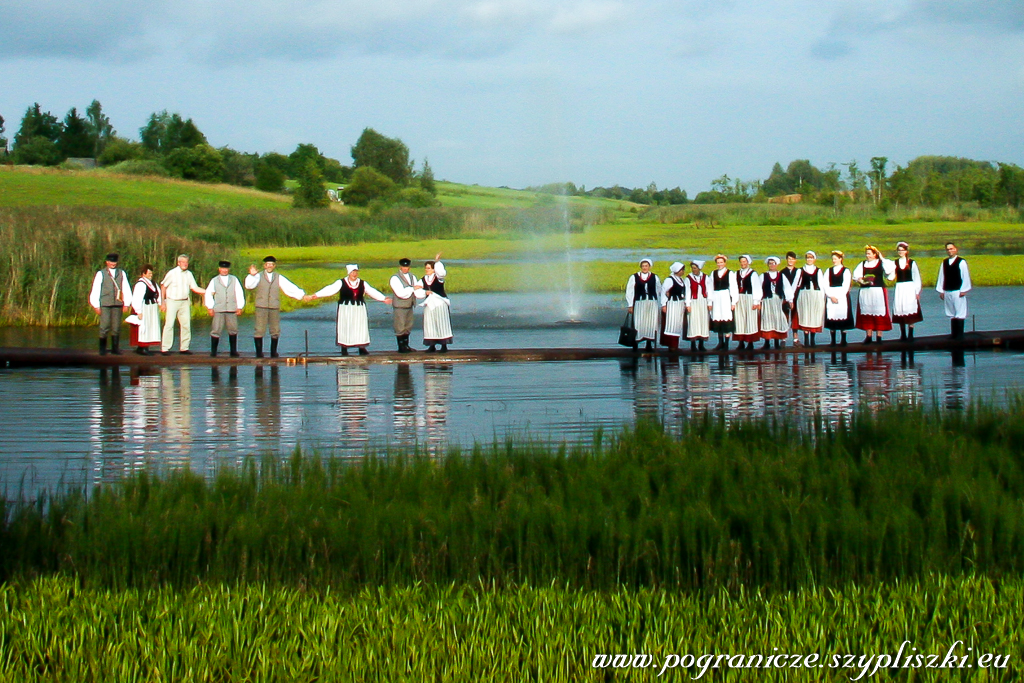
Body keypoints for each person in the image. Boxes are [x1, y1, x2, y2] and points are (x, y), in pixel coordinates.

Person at [306, 265, 392, 355]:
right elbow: (330, 289)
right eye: (352, 272)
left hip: (359, 309)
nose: (354, 274)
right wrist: (316, 295)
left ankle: (361, 347)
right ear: (349, 273)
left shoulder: (362, 283)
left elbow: (372, 291)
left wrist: (383, 298)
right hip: (346, 309)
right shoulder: (341, 282)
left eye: (356, 272)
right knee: (345, 326)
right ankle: (344, 348)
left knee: (360, 326)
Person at [244, 256, 306, 358]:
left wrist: (301, 295)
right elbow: (249, 286)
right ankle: (259, 353)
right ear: (264, 265)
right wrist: (251, 275)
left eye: (271, 264)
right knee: (259, 329)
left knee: (275, 330)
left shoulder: (279, 277)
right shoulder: (258, 276)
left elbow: (289, 287)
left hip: (274, 306)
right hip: (261, 306)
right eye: (267, 264)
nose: (269, 266)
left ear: (274, 266)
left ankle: (273, 352)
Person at [160, 254, 206, 355]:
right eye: (183, 262)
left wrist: (207, 292)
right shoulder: (172, 273)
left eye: (186, 262)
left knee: (186, 325)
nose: (185, 264)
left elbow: (194, 288)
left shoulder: (189, 274)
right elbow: (163, 286)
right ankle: (165, 348)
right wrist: (162, 302)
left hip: (184, 301)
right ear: (178, 263)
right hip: (172, 301)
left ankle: (184, 348)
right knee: (169, 324)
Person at [89, 252, 133, 355]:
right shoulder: (101, 274)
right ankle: (102, 349)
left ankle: (115, 348)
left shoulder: (122, 273)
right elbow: (96, 290)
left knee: (116, 327)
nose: (113, 263)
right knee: (104, 326)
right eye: (111, 261)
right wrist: (96, 305)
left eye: (115, 261)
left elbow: (126, 288)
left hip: (117, 304)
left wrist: (127, 303)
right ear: (107, 262)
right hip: (105, 303)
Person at [853, 245, 895, 344]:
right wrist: (860, 279)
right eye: (866, 254)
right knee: (868, 312)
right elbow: (856, 275)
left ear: (875, 254)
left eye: (869, 254)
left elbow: (890, 269)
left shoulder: (881, 263)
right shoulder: (863, 264)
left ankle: (879, 336)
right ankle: (869, 335)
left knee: (878, 312)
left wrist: (881, 257)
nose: (867, 256)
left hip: (878, 291)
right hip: (866, 291)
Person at [204, 260, 245, 357]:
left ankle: (233, 351)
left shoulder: (234, 279)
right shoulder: (214, 280)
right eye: (222, 268)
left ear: (228, 269)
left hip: (231, 308)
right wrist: (210, 307)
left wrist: (239, 306)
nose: (224, 270)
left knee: (233, 329)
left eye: (226, 268)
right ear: (219, 269)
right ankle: (213, 351)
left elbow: (239, 293)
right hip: (219, 309)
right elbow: (208, 294)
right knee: (216, 329)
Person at [936, 242, 972, 339]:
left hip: (958, 291)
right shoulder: (944, 262)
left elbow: (965, 276)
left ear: (956, 249)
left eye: (951, 248)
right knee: (951, 313)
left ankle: (960, 335)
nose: (949, 251)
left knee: (959, 313)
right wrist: (941, 290)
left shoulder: (961, 262)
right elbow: (941, 277)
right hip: (948, 290)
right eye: (948, 249)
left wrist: (964, 289)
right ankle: (954, 335)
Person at [625, 257, 661, 352]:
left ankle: (649, 343)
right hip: (639, 302)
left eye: (646, 266)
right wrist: (630, 305)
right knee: (639, 322)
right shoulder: (634, 277)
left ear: (649, 267)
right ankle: (636, 342)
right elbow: (630, 291)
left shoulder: (654, 277)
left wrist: (659, 304)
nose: (645, 268)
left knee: (650, 322)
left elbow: (658, 290)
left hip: (651, 302)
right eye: (643, 266)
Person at [418, 255, 452, 352]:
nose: (426, 270)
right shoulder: (423, 279)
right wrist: (424, 292)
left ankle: (444, 345)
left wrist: (437, 262)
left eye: (429, 268)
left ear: (434, 269)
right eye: (426, 268)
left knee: (441, 322)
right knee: (429, 322)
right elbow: (417, 289)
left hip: (440, 302)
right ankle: (432, 345)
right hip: (429, 303)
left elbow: (441, 273)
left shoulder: (438, 278)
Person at [890, 241, 923, 341]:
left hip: (909, 287)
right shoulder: (894, 263)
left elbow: (916, 278)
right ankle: (903, 334)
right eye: (899, 250)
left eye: (902, 250)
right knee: (901, 308)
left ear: (906, 251)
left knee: (910, 309)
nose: (900, 252)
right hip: (900, 287)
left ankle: (911, 334)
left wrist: (917, 291)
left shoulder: (912, 263)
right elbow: (891, 277)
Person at [794, 251, 826, 347]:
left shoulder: (818, 271)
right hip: (804, 295)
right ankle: (806, 339)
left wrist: (823, 297)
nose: (809, 259)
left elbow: (821, 285)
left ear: (814, 259)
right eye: (808, 258)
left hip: (815, 295)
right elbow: (796, 284)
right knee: (805, 315)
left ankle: (813, 339)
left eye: (811, 258)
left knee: (814, 315)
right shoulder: (800, 270)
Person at [824, 251, 854, 347]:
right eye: (833, 259)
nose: (834, 261)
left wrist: (839, 297)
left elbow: (846, 285)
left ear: (840, 259)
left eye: (835, 259)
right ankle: (833, 341)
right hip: (831, 296)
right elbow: (825, 285)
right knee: (832, 316)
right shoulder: (828, 271)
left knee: (842, 316)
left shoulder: (846, 271)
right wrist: (831, 296)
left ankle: (843, 340)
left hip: (842, 297)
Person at [129, 264, 161, 355]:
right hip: (144, 308)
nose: (151, 275)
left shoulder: (153, 283)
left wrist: (160, 303)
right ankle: (142, 347)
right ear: (144, 274)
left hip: (151, 308)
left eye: (151, 273)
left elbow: (158, 294)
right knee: (144, 327)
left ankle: (145, 347)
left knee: (150, 326)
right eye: (149, 273)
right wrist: (138, 311)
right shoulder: (141, 284)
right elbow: (137, 298)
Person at [708, 255, 738, 351]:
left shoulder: (730, 273)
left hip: (725, 297)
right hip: (716, 297)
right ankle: (720, 342)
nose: (719, 264)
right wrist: (710, 301)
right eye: (718, 262)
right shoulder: (713, 273)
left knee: (726, 318)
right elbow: (710, 288)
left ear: (725, 263)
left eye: (721, 262)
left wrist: (733, 302)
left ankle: (726, 344)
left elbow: (733, 288)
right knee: (718, 318)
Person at [390, 258, 419, 353]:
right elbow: (400, 293)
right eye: (404, 266)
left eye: (407, 267)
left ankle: (406, 345)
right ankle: (401, 346)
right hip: (400, 305)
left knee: (408, 325)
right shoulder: (395, 278)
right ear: (400, 267)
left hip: (409, 304)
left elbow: (417, 289)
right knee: (400, 326)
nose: (405, 268)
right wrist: (412, 289)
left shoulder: (412, 276)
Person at [758, 257, 788, 350]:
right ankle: (767, 343)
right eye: (770, 263)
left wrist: (789, 299)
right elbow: (758, 289)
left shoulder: (781, 276)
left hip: (777, 300)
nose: (772, 265)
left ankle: (776, 342)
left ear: (777, 264)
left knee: (777, 318)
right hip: (767, 300)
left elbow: (787, 288)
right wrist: (758, 301)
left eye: (773, 263)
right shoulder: (763, 276)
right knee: (767, 318)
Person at [733, 254, 761, 350]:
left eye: (744, 262)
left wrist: (756, 301)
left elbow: (756, 288)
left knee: (750, 319)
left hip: (749, 297)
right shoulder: (736, 274)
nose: (742, 263)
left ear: (748, 262)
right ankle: (741, 342)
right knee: (739, 319)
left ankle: (750, 343)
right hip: (739, 298)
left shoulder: (753, 274)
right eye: (741, 262)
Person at [661, 261, 687, 352]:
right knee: (671, 323)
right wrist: (664, 304)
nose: (683, 271)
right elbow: (664, 292)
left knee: (677, 323)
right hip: (672, 303)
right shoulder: (670, 280)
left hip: (679, 304)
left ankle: (675, 345)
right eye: (682, 270)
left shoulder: (681, 280)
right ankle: (671, 345)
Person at [684, 260, 710, 352]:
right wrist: (688, 304)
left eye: (695, 268)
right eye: (693, 268)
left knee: (703, 320)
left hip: (702, 301)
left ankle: (701, 344)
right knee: (693, 321)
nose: (694, 270)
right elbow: (687, 292)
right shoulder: (688, 278)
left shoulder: (706, 277)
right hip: (693, 301)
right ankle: (693, 344)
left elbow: (709, 290)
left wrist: (709, 303)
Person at [780, 251, 801, 346]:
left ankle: (795, 338)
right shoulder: (782, 272)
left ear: (795, 260)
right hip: (785, 297)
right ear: (786, 259)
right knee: (785, 317)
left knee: (795, 317)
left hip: (796, 296)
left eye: (792, 259)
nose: (790, 261)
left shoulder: (798, 272)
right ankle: (783, 338)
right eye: (789, 259)